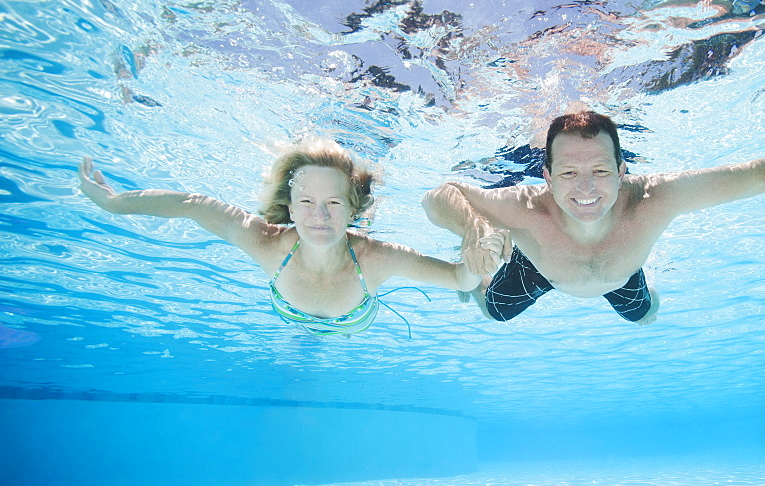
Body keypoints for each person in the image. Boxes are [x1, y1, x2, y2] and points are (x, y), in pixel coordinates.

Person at [422, 108, 765, 325]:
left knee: (645, 320)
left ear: (623, 168)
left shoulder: (655, 199)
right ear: (545, 176)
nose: (586, 189)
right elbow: (438, 194)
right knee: (489, 310)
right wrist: (475, 229)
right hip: (541, 266)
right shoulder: (523, 208)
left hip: (622, 271)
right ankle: (467, 274)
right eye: (568, 174)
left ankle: (641, 285)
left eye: (600, 170)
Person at [79, 138, 484, 339]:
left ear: (352, 211)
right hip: (298, 316)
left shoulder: (375, 257)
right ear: (288, 207)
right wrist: (114, 203)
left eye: (334, 203)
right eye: (306, 201)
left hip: (354, 324)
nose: (319, 216)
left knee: (338, 339)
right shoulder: (268, 244)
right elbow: (192, 203)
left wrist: (476, 260)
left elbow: (457, 280)